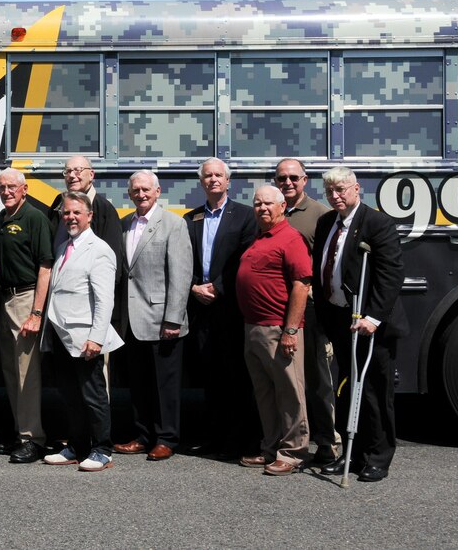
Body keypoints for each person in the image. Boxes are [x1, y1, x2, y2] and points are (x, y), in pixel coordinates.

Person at [313, 167, 408, 483]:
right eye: (330, 192)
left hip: (368, 321)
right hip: (341, 318)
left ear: (356, 189)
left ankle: (378, 456)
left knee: (374, 391)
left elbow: (390, 274)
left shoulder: (376, 223)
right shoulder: (327, 222)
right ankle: (352, 454)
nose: (335, 196)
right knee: (346, 389)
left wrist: (373, 317)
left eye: (341, 190)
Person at [41, 191, 123, 472]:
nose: (70, 217)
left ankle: (102, 448)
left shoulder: (99, 249)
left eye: (77, 212)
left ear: (90, 216)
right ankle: (77, 446)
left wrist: (96, 338)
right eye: (66, 213)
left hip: (85, 338)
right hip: (62, 336)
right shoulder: (64, 245)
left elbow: (104, 300)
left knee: (93, 395)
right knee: (70, 396)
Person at [115, 170, 192, 462]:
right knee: (139, 383)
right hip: (132, 320)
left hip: (162, 319)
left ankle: (166, 438)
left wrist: (174, 318)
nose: (141, 194)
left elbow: (181, 274)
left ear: (158, 191)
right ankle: (142, 435)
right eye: (136, 190)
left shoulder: (173, 224)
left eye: (146, 189)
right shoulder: (125, 225)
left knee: (165, 385)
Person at [183, 158, 258, 457]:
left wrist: (218, 286)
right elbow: (182, 259)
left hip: (230, 308)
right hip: (200, 307)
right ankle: (214, 437)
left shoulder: (245, 216)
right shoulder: (191, 218)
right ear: (201, 182)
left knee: (237, 377)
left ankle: (240, 439)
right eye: (207, 176)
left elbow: (246, 258)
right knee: (210, 377)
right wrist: (193, 286)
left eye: (218, 175)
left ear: (228, 182)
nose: (213, 180)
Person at [236, 185, 312, 476]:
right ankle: (270, 448)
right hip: (254, 327)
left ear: (282, 207)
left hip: (278, 329)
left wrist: (291, 330)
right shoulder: (261, 236)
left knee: (290, 392)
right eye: (257, 204)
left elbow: (301, 284)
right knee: (265, 393)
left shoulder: (290, 238)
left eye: (268, 204)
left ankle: (293, 452)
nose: (262, 208)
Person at [275, 157, 339, 465]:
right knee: (287, 379)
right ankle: (286, 439)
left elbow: (330, 262)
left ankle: (327, 442)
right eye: (281, 178)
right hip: (276, 310)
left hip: (310, 310)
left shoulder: (321, 215)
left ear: (305, 180)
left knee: (317, 379)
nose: (287, 183)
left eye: (293, 178)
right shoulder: (271, 212)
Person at [0, 167, 53, 464]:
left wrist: (36, 313)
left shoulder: (35, 218)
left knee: (27, 373)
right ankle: (20, 434)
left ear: (24, 189)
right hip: (6, 298)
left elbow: (45, 266)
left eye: (11, 187)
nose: (6, 192)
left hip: (26, 298)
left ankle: (34, 438)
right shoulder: (3, 218)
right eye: (2, 187)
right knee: (10, 371)